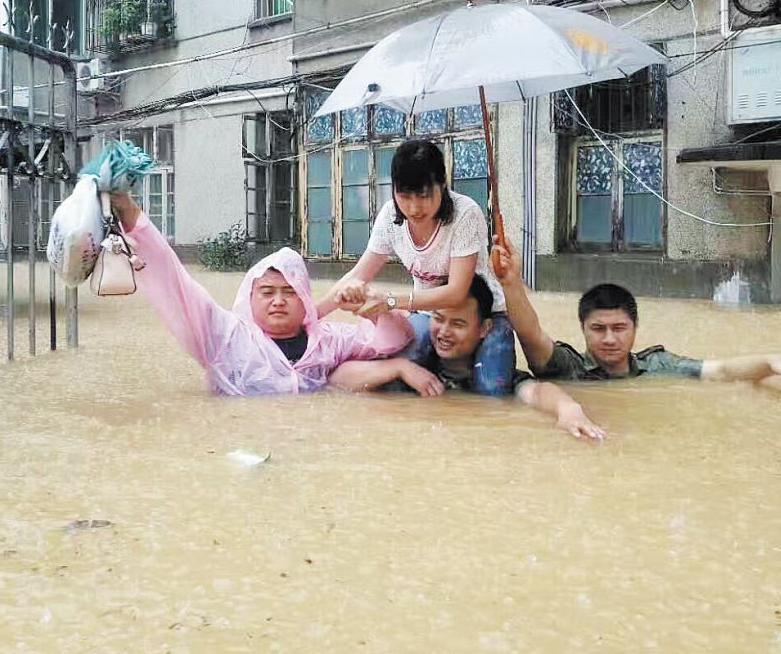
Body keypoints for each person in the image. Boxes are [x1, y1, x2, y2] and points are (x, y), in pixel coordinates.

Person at [110, 192, 413, 396]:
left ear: (305, 299)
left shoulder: (328, 340)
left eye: (289, 292)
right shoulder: (224, 337)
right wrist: (130, 215)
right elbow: (176, 282)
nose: (278, 301)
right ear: (250, 297)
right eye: (267, 292)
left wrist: (373, 305)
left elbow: (393, 341)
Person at [318, 139, 516, 396]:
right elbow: (358, 274)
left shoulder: (465, 214)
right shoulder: (390, 217)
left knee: (493, 390)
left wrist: (390, 301)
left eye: (424, 196)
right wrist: (308, 317)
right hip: (429, 314)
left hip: (481, 314)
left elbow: (456, 292)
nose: (414, 207)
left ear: (442, 185)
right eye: (405, 196)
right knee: (393, 380)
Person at [329, 275, 606, 441]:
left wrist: (569, 410)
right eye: (438, 319)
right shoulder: (418, 364)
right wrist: (399, 367)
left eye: (458, 324)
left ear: (484, 329)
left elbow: (537, 391)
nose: (444, 332)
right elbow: (336, 378)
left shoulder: (494, 376)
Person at [494, 236, 781, 387]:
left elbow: (721, 371)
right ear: (583, 329)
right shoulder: (569, 368)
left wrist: (770, 362)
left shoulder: (658, 366)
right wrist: (512, 283)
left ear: (635, 328)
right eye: (598, 329)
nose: (609, 339)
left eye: (619, 329)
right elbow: (530, 335)